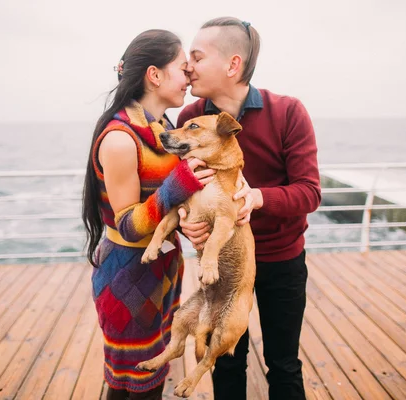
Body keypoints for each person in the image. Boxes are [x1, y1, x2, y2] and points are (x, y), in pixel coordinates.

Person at [177, 17, 322, 399]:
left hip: (281, 261)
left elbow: (309, 193)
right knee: (224, 362)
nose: (187, 66)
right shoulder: (189, 120)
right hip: (222, 263)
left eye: (196, 56)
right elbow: (185, 191)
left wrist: (257, 197)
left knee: (284, 365)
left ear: (233, 65)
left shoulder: (288, 112)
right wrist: (183, 223)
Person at [82, 29, 215, 400]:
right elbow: (126, 221)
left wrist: (189, 223)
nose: (189, 75)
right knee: (141, 383)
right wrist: (180, 184)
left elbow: (169, 205)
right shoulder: (121, 138)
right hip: (127, 275)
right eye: (181, 68)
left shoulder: (163, 128)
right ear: (154, 75)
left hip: (161, 272)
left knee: (135, 381)